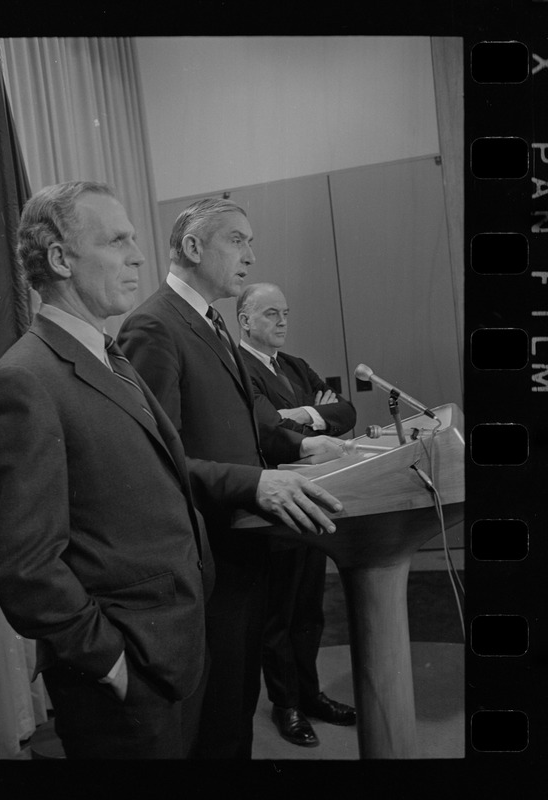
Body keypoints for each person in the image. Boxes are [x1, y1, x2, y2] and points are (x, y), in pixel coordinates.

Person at [0, 182, 343, 760]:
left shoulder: (111, 356)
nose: (139, 254)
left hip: (177, 641)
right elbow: (24, 566)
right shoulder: (24, 380)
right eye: (117, 240)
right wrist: (111, 663)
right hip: (128, 668)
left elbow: (162, 475)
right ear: (59, 259)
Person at [118, 197, 348, 759]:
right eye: (237, 241)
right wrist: (255, 485)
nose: (250, 254)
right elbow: (154, 460)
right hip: (207, 555)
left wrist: (301, 442)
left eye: (251, 242)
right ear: (194, 248)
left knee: (240, 704)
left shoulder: (210, 319)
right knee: (220, 718)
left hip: (244, 545)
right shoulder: (154, 325)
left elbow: (240, 424)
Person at [237, 282, 357, 747]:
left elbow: (344, 410)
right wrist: (310, 417)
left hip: (316, 496)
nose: (283, 322)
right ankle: (286, 705)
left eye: (285, 312)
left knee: (309, 609)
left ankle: (311, 694)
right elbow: (270, 432)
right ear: (245, 320)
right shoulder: (238, 367)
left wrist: (301, 413)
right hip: (277, 504)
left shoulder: (294, 365)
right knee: (279, 616)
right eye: (271, 314)